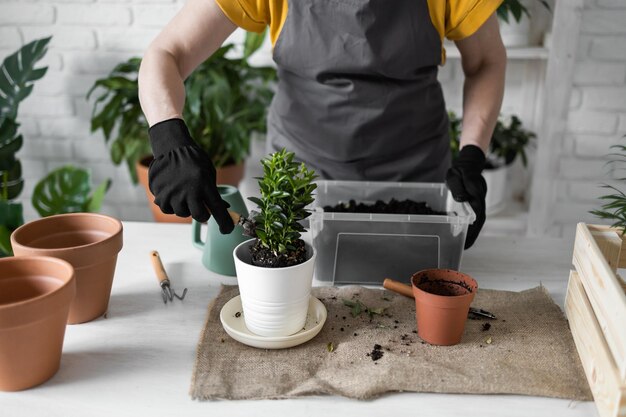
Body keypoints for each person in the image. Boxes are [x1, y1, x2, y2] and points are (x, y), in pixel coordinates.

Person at [138, 0, 506, 249]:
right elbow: (169, 52)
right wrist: (170, 138)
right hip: (300, 180)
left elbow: (486, 61)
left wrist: (472, 156)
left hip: (415, 177)